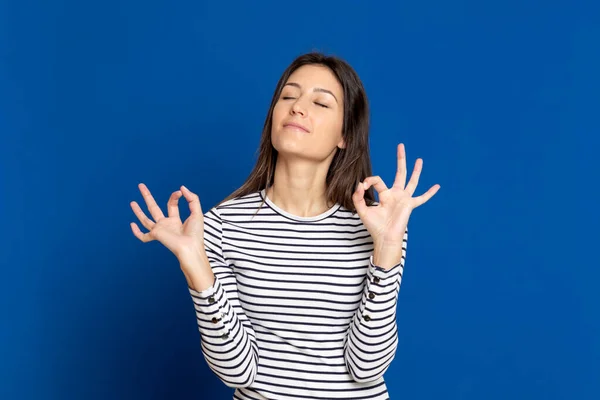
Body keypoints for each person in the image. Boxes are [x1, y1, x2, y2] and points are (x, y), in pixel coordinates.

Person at [129, 52, 440, 400]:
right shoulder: (221, 224)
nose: (297, 108)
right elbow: (237, 371)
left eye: (321, 103)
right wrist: (195, 263)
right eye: (288, 96)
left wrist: (387, 249)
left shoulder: (377, 224)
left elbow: (367, 366)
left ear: (345, 136)